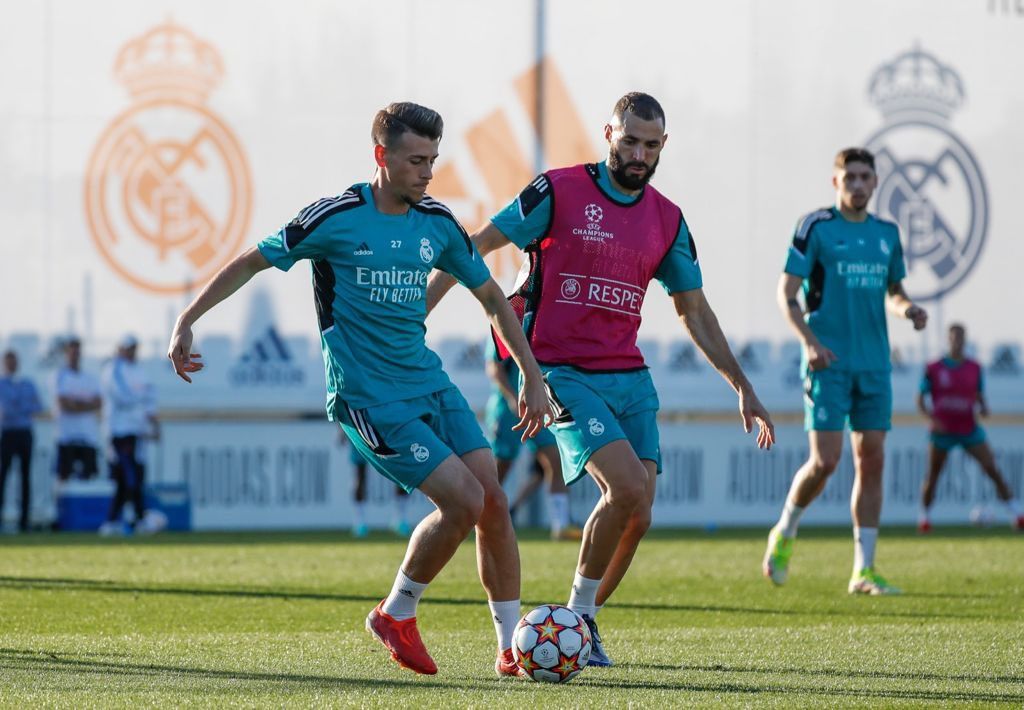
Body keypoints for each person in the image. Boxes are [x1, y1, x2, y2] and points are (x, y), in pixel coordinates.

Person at [167, 102, 551, 677]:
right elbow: (252, 261)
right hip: (368, 396)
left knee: (492, 499)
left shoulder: (438, 224)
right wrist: (186, 319)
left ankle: (508, 647)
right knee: (465, 501)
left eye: (433, 161)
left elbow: (494, 300)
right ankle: (396, 612)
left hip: (427, 380)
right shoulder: (336, 218)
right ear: (381, 156)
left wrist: (532, 375)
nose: (427, 172)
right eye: (416, 160)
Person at [428, 92, 775, 666]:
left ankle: (581, 625)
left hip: (627, 373)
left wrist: (743, 386)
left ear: (664, 146)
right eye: (630, 139)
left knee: (639, 514)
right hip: (560, 369)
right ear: (608, 133)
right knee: (628, 487)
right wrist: (424, 306)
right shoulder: (558, 190)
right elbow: (478, 245)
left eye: (651, 144)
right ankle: (578, 619)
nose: (639, 153)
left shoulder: (667, 219)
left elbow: (695, 310)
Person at [763, 147, 928, 595]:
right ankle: (785, 531)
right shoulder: (815, 227)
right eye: (849, 177)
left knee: (871, 460)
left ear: (875, 183)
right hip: (827, 362)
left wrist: (907, 308)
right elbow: (787, 294)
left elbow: (893, 290)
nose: (857, 184)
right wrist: (810, 344)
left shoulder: (886, 234)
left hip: (873, 365)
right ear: (835, 182)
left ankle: (864, 570)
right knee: (826, 461)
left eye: (864, 177)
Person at [917, 324, 1023, 532]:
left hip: (968, 428)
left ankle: (1016, 513)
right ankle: (924, 517)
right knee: (933, 474)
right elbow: (920, 398)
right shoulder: (934, 368)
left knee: (992, 468)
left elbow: (979, 395)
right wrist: (931, 418)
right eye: (953, 338)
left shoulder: (974, 368)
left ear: (965, 340)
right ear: (947, 340)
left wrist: (983, 407)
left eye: (960, 338)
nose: (956, 341)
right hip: (942, 431)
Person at [484, 338, 578, 540]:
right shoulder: (505, 325)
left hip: (538, 407)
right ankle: (481, 520)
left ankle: (560, 525)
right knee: (500, 469)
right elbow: (494, 368)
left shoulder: (542, 329)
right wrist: (511, 398)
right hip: (509, 410)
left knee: (555, 461)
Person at [99, 334, 161, 536]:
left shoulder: (140, 371)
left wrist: (152, 422)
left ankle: (122, 519)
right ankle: (133, 517)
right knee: (127, 476)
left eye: (134, 347)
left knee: (135, 476)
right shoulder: (113, 369)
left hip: (137, 432)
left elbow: (151, 397)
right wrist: (142, 401)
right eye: (128, 348)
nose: (132, 351)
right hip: (120, 431)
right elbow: (123, 396)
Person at [0, 350, 43, 532]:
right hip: (8, 433)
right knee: (4, 476)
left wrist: (16, 407)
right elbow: (6, 410)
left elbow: (38, 406)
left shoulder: (27, 384)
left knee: (25, 477)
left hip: (24, 433)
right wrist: (19, 408)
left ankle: (24, 521)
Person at [342, 431, 411, 538]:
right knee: (360, 475)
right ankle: (360, 523)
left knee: (399, 471)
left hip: (384, 427)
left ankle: (400, 519)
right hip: (360, 429)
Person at [52, 337, 102, 482]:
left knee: (89, 477)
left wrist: (76, 404)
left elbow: (98, 403)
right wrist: (85, 405)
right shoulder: (59, 376)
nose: (75, 355)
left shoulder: (89, 378)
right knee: (63, 477)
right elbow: (63, 404)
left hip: (87, 437)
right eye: (72, 352)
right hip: (66, 437)